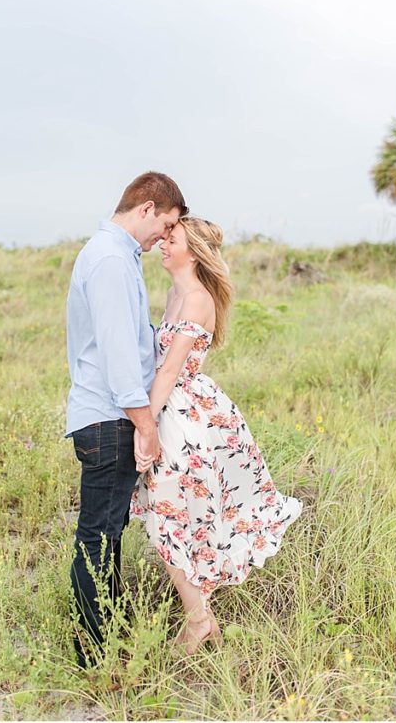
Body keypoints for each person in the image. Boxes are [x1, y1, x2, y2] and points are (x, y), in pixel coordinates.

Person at [130, 217, 302, 654]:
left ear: (194, 251)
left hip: (184, 417)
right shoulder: (174, 293)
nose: (163, 245)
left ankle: (198, 618)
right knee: (170, 514)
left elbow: (169, 371)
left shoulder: (198, 299)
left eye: (172, 239)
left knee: (169, 515)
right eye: (164, 237)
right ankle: (200, 614)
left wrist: (144, 427)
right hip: (174, 407)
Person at [66, 171, 186, 667]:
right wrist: (146, 425)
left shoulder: (112, 255)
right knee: (97, 537)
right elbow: (119, 358)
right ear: (146, 208)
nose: (164, 236)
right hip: (112, 420)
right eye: (166, 224)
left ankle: (109, 636)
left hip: (105, 417)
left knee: (106, 535)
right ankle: (94, 654)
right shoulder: (112, 260)